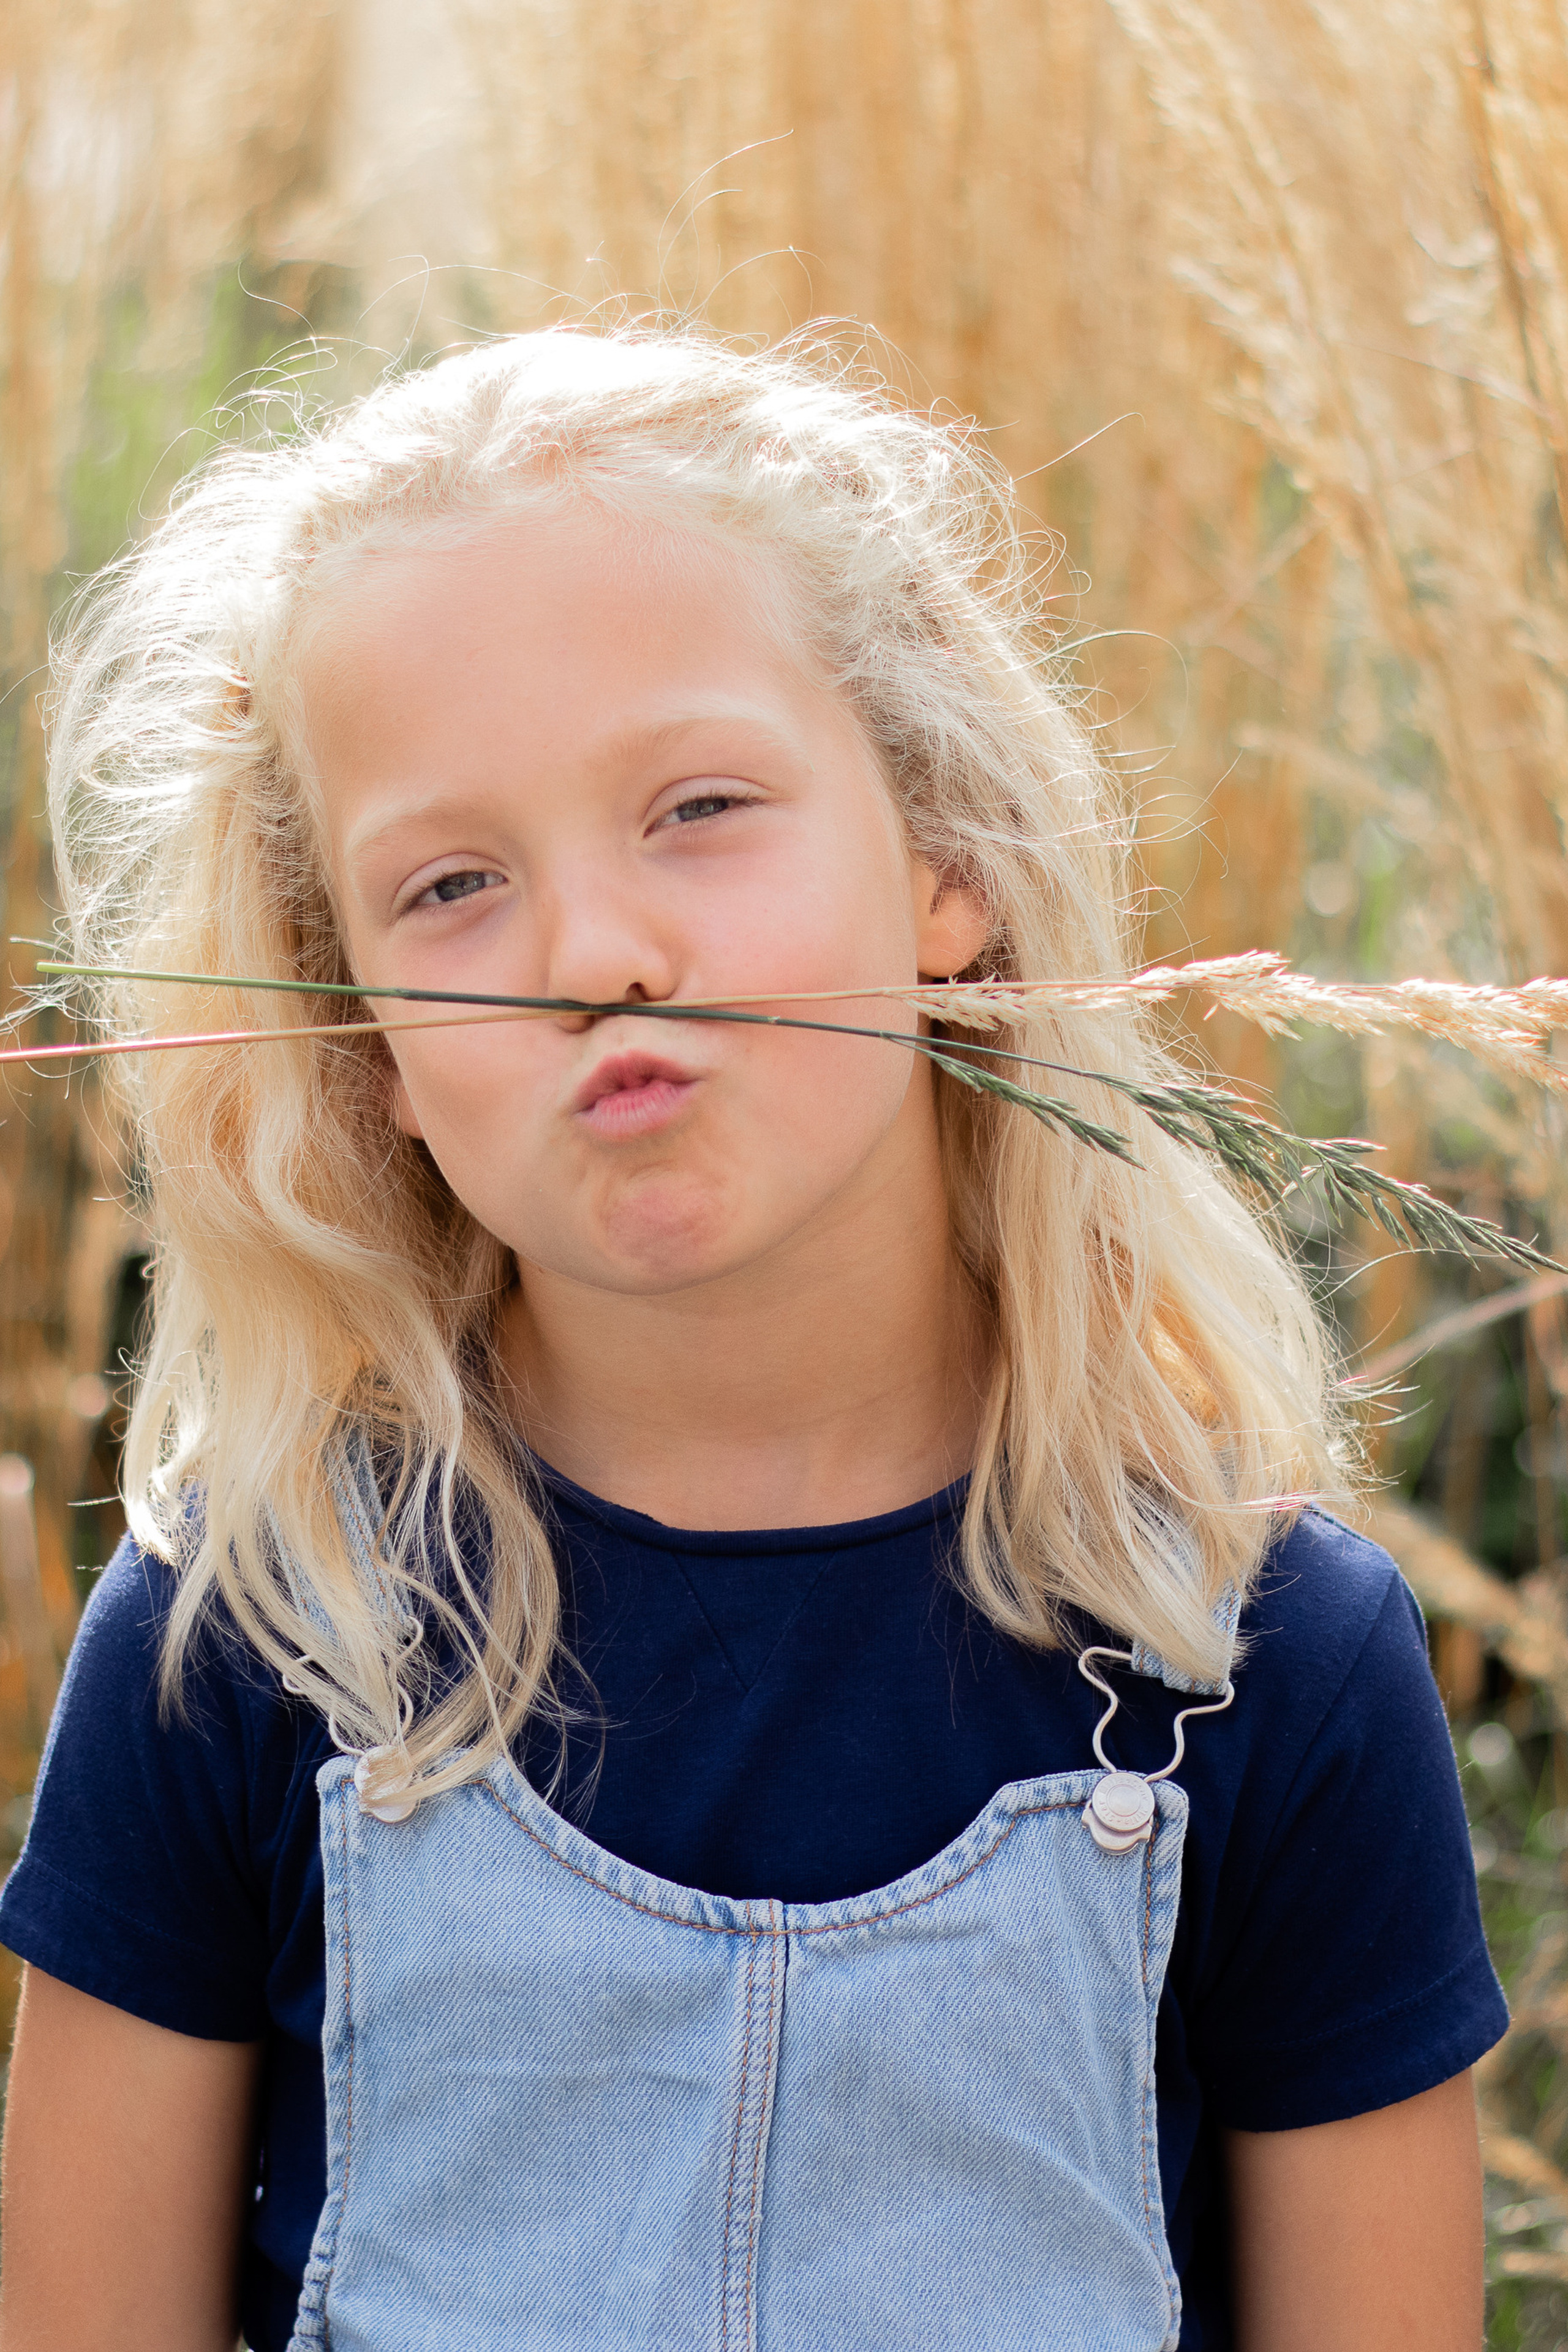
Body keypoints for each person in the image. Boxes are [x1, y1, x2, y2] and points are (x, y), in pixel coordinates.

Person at [0, 324, 1503, 2352]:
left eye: (700, 805)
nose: (594, 950)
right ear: (351, 1029)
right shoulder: (258, 1633)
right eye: (450, 884)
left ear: (947, 866)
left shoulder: (1261, 1667)